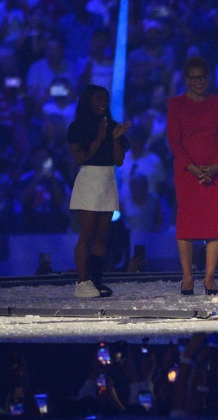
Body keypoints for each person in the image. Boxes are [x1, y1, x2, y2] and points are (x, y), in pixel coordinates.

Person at [167, 57, 218, 295]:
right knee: (186, 225)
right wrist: (193, 168)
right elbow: (174, 141)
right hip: (187, 173)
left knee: (214, 224)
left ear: (208, 77)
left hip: (216, 172)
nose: (198, 82)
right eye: (193, 78)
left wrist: (215, 166)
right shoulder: (176, 104)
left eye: (202, 76)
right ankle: (187, 278)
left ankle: (209, 278)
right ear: (186, 80)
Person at [67, 85, 130, 298]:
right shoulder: (77, 127)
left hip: (107, 180)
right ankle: (81, 282)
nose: (102, 102)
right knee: (87, 235)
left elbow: (119, 161)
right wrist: (99, 138)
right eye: (97, 98)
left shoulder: (113, 126)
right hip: (89, 180)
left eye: (105, 98)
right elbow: (79, 158)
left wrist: (113, 138)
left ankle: (95, 280)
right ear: (88, 101)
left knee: (102, 235)